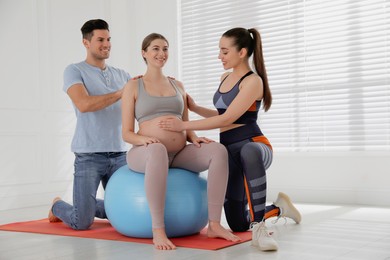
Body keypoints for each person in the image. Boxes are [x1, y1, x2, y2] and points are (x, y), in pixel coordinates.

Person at [158, 27, 302, 251]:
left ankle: (260, 229)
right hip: (229, 152)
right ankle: (279, 207)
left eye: (224, 51)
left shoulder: (253, 81)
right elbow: (222, 116)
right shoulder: (225, 77)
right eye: (219, 51)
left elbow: (229, 119)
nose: (219, 56)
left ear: (242, 52)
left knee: (249, 152)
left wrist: (183, 125)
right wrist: (194, 107)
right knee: (237, 222)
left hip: (255, 146)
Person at [121, 33, 241, 250]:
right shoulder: (133, 86)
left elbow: (185, 123)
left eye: (165, 48)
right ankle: (158, 230)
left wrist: (195, 138)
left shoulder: (178, 85)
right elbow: (127, 133)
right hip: (145, 153)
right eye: (155, 48)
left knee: (218, 150)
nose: (161, 53)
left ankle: (214, 224)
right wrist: (144, 139)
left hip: (177, 154)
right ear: (144, 53)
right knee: (157, 149)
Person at [48, 19, 132, 230]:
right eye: (100, 39)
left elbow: (138, 108)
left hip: (120, 153)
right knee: (82, 222)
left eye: (109, 39)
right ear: (86, 42)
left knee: (123, 214)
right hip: (89, 155)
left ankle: (84, 205)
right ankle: (58, 205)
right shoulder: (74, 70)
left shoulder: (123, 75)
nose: (107, 44)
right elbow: (84, 104)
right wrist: (121, 93)